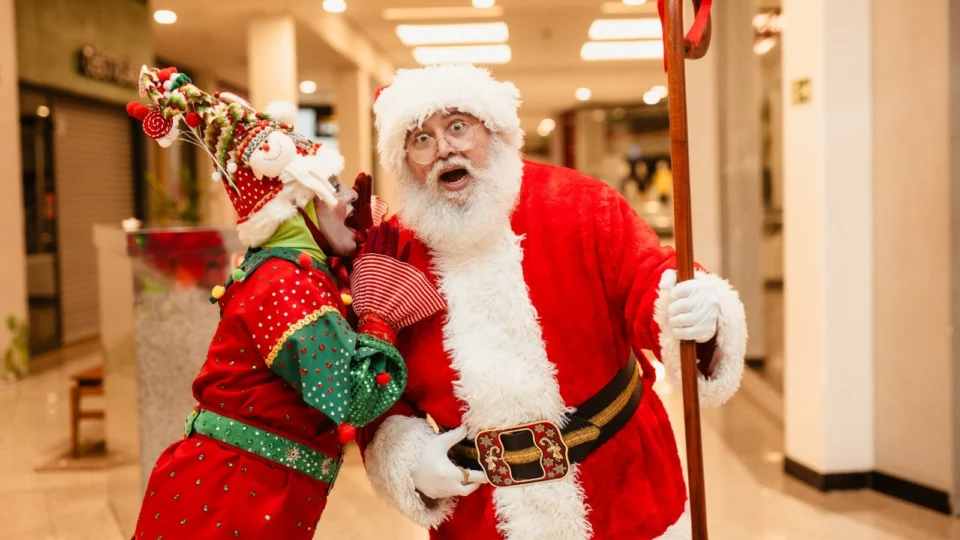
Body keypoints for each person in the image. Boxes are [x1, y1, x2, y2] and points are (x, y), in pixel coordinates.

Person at [352, 64, 748, 540]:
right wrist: (407, 455)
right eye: (421, 139)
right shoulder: (392, 252)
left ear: (492, 130)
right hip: (482, 515)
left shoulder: (581, 202)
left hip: (621, 491)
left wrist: (692, 306)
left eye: (457, 127)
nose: (443, 149)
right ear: (405, 161)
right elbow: (372, 377)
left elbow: (649, 276)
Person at [125, 66, 443, 539]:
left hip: (248, 492)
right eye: (333, 187)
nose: (351, 196)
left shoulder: (297, 270)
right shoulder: (285, 280)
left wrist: (356, 257)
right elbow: (353, 396)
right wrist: (379, 317)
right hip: (229, 498)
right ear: (297, 206)